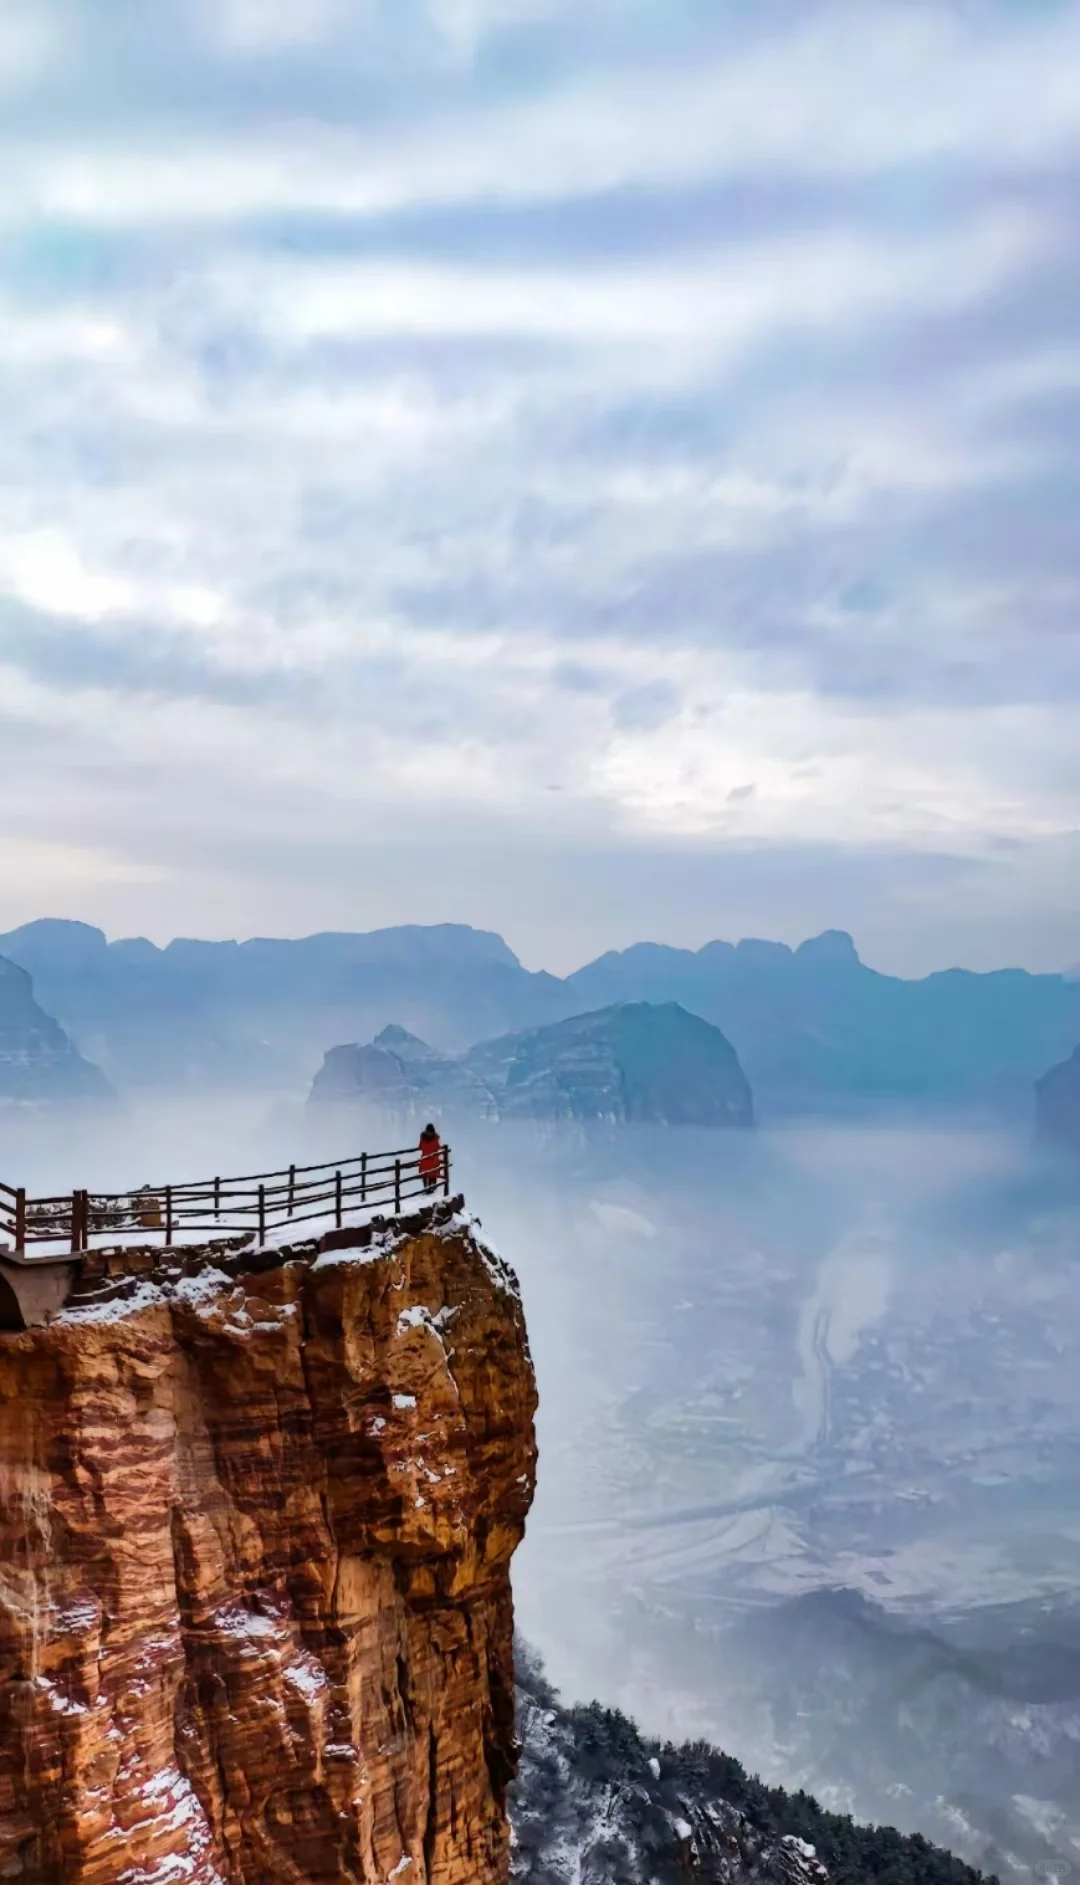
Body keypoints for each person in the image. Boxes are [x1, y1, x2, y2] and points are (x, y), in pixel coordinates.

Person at [419, 1123, 442, 1193]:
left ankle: (427, 1189)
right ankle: (431, 1189)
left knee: (425, 1175)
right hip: (433, 1160)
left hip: (425, 1160)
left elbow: (420, 1147)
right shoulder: (435, 1138)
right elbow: (437, 1147)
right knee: (433, 1176)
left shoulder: (423, 1137)